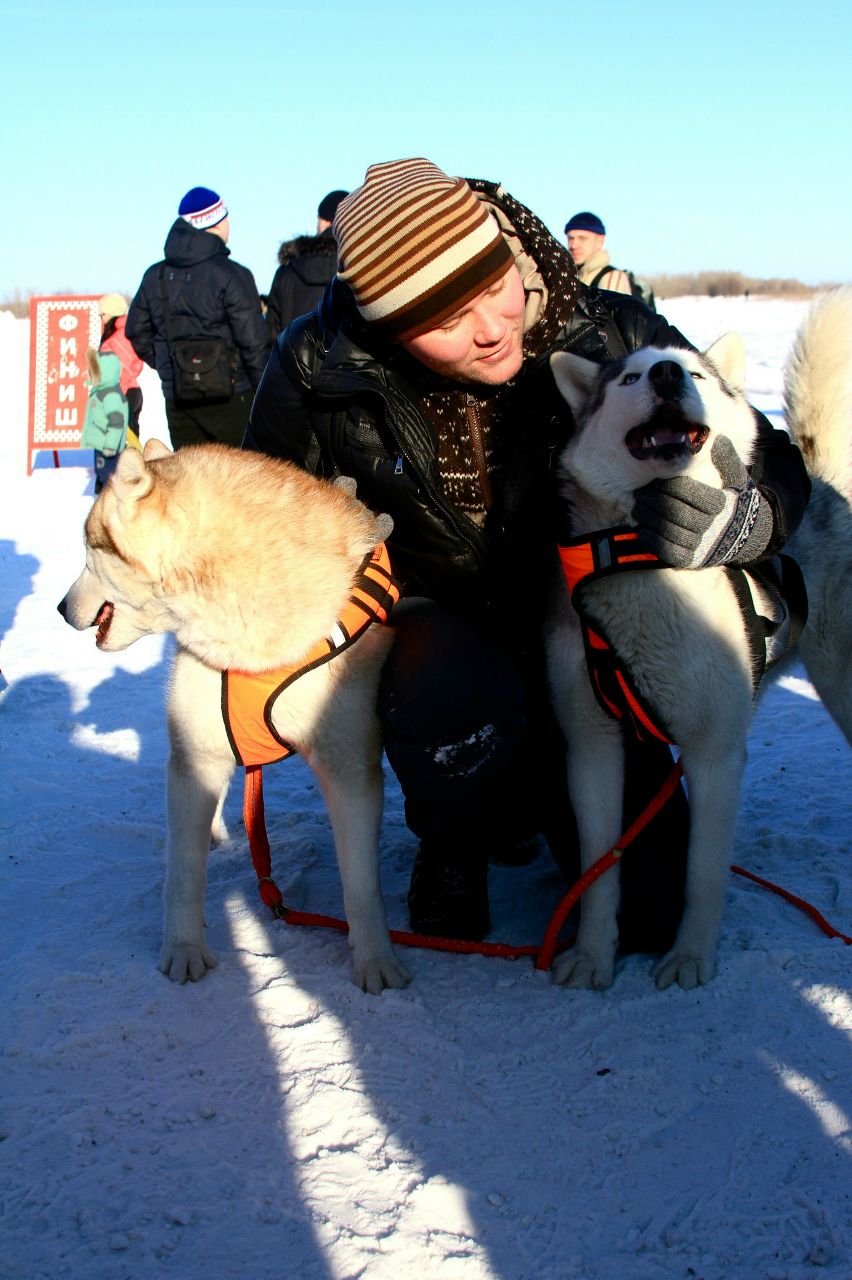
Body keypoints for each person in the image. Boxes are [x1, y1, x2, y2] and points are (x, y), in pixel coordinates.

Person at [245, 157, 810, 948]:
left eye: (494, 287)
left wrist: (753, 520)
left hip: (584, 624)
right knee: (454, 696)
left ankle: (542, 807)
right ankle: (456, 839)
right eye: (444, 320)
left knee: (651, 917)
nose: (488, 325)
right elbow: (254, 512)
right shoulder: (320, 364)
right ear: (391, 328)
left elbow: (772, 453)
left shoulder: (609, 329)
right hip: (438, 623)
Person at [126, 187, 270, 449]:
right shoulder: (233, 274)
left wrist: (171, 366)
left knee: (191, 484)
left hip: (180, 398)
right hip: (234, 399)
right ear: (214, 223)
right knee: (237, 484)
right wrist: (266, 394)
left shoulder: (155, 276)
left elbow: (136, 330)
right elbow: (254, 345)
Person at [265, 189, 349, 339]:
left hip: (292, 358)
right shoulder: (359, 268)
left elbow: (271, 333)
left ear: (324, 221)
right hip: (346, 360)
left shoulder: (287, 271)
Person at [97, 293, 143, 444]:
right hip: (129, 393)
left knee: (123, 447)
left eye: (103, 314)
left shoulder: (119, 338)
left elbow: (122, 371)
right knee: (128, 446)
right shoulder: (124, 334)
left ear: (113, 314)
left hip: (123, 394)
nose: (101, 318)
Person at [81, 349, 129, 492]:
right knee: (103, 476)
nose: (90, 373)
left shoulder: (110, 396)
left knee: (110, 478)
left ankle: (109, 503)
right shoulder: (101, 392)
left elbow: (116, 423)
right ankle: (103, 493)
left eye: (93, 371)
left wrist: (110, 445)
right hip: (101, 446)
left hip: (108, 450)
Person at [564, 210, 634, 294]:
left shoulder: (611, 278)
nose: (573, 246)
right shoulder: (569, 276)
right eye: (570, 238)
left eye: (582, 238)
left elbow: (609, 307)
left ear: (600, 240)